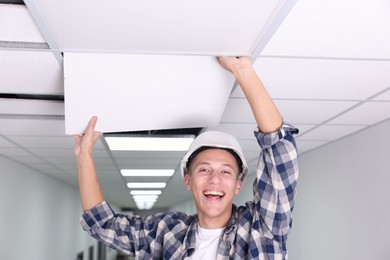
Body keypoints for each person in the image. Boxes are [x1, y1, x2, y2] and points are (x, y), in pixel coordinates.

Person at [74, 56, 299, 259]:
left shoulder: (262, 230)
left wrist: (243, 70)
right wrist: (84, 156)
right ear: (188, 180)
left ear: (238, 184)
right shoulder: (166, 233)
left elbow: (279, 150)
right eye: (204, 169)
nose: (214, 179)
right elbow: (102, 224)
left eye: (225, 171)